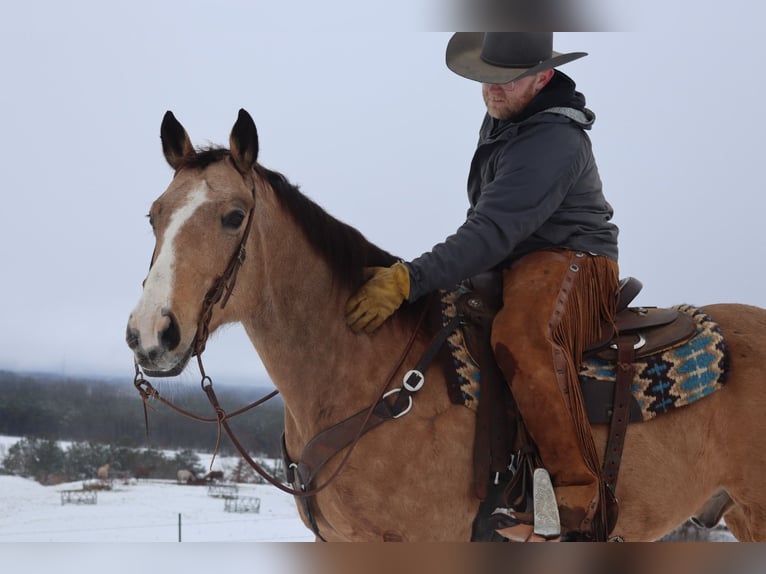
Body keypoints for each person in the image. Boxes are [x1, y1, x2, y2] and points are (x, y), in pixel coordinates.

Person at [345, 32, 619, 540]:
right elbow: (490, 225)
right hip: (514, 261)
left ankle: (577, 500)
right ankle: (507, 476)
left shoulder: (553, 139)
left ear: (544, 77)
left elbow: (491, 229)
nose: (492, 89)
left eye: (507, 79)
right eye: (486, 77)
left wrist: (411, 277)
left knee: (519, 337)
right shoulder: (506, 117)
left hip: (572, 257)